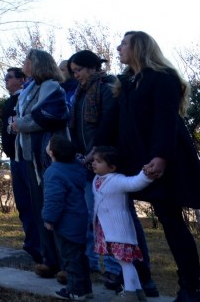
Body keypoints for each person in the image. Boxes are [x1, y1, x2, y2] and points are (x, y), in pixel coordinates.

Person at [98, 30, 200, 302]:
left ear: (139, 47)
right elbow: (111, 122)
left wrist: (160, 156)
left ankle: (194, 288)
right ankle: (137, 283)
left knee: (172, 221)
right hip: (136, 160)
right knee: (124, 220)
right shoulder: (126, 82)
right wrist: (96, 149)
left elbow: (165, 120)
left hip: (164, 160)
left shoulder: (163, 78)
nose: (118, 48)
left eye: (124, 44)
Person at [67, 49, 143, 288]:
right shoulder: (81, 91)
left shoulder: (107, 86)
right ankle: (98, 262)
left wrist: (96, 152)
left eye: (78, 70)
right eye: (73, 71)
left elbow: (108, 123)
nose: (76, 75)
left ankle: (120, 268)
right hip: (89, 161)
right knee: (94, 215)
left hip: (105, 161)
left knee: (115, 217)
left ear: (92, 67)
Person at [9, 48, 67, 277]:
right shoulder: (29, 89)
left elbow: (51, 116)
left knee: (54, 208)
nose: (23, 63)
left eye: (27, 60)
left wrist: (19, 124)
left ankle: (66, 264)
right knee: (39, 209)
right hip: (27, 157)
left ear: (37, 63)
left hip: (46, 157)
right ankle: (49, 259)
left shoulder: (51, 86)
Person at [90, 145, 154, 301]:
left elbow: (134, 183)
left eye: (98, 161)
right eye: (94, 160)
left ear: (112, 167)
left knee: (125, 263)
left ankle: (130, 294)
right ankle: (139, 293)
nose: (94, 163)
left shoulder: (117, 180)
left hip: (119, 230)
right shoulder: (97, 179)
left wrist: (146, 175)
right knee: (124, 262)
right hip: (107, 229)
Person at [42, 135, 92, 300]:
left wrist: (49, 219)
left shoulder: (54, 172)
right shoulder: (76, 168)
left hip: (65, 223)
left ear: (52, 153)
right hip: (79, 218)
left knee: (70, 258)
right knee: (80, 255)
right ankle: (86, 288)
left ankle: (75, 289)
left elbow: (54, 199)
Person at [2, 66, 42, 264]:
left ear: (22, 79)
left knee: (34, 204)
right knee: (24, 205)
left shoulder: (25, 99)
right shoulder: (9, 101)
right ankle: (31, 245)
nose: (6, 80)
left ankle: (40, 247)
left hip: (27, 157)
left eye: (9, 77)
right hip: (14, 158)